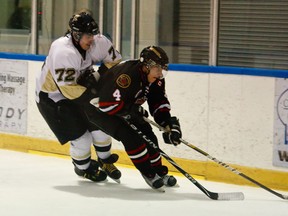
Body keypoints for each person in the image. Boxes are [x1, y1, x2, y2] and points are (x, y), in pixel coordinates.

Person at [35, 10, 122, 183]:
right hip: (53, 97)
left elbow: (115, 62)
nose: (92, 39)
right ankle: (83, 168)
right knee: (82, 138)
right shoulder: (63, 51)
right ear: (75, 35)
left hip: (79, 89)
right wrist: (95, 99)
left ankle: (105, 160)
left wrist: (96, 77)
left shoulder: (99, 42)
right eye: (87, 36)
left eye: (93, 34)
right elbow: (68, 90)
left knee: (101, 126)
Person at [79, 46, 182, 190]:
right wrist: (131, 110)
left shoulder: (156, 79)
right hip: (100, 109)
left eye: (162, 68)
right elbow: (107, 103)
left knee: (150, 137)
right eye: (157, 68)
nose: (160, 72)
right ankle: (149, 173)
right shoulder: (127, 76)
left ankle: (159, 172)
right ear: (146, 66)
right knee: (131, 138)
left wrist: (167, 123)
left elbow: (158, 102)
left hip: (125, 108)